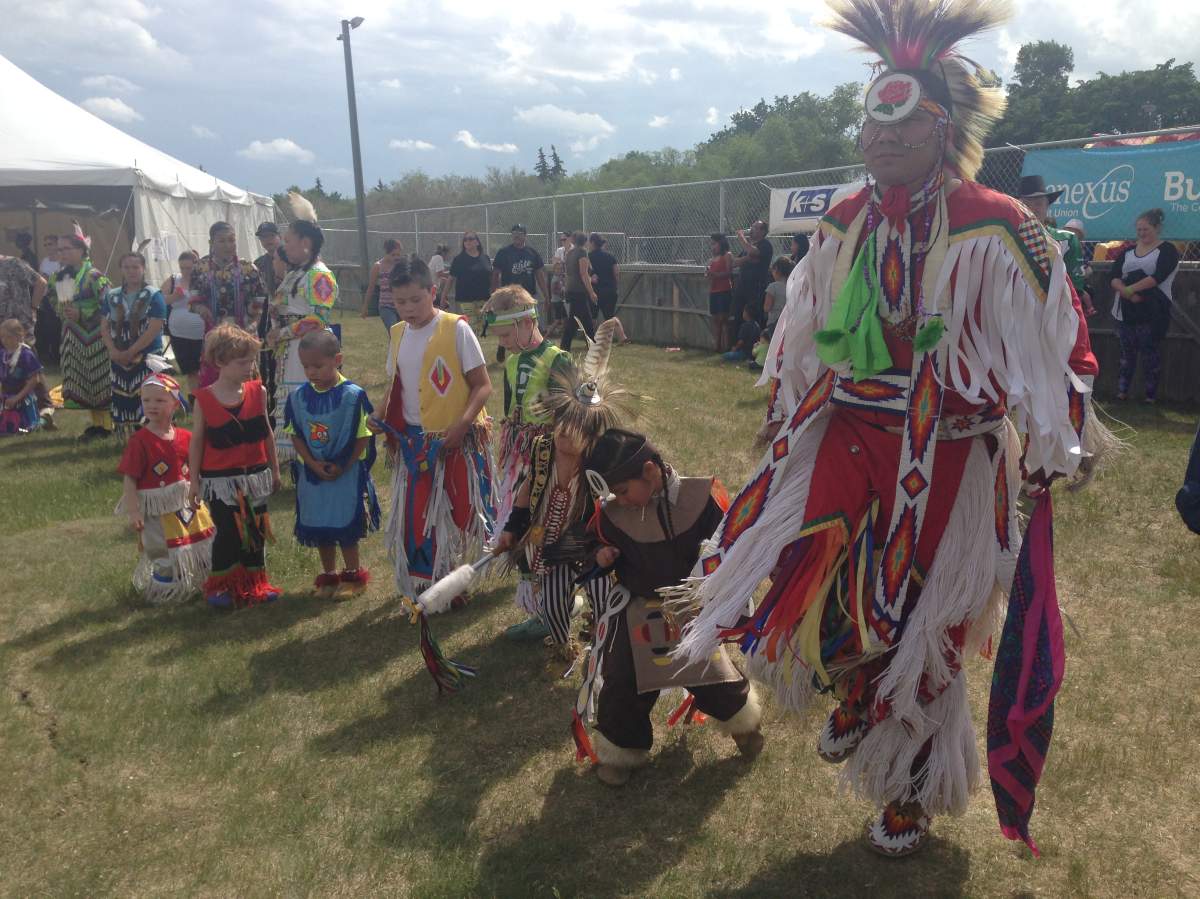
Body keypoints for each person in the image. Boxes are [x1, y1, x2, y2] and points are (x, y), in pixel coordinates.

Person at [671, 0, 1109, 857]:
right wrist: (783, 405)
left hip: (950, 454)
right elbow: (802, 330)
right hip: (851, 437)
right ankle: (854, 687)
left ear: (940, 131)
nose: (878, 139)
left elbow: (1064, 342)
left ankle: (913, 784)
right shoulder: (846, 218)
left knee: (929, 620)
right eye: (872, 121)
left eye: (900, 122)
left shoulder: (1000, 224)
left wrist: (1060, 432)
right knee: (818, 574)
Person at [571, 428, 763, 787]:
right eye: (614, 495)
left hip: (689, 613)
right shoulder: (613, 514)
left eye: (624, 491)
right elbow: (590, 542)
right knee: (623, 681)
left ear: (649, 471)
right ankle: (620, 751)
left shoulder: (701, 499)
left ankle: (744, 727)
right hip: (636, 614)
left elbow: (731, 545)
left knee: (710, 676)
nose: (621, 501)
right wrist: (600, 554)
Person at [495, 318, 630, 653]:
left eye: (577, 427)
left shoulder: (598, 468)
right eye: (562, 424)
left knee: (602, 597)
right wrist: (514, 526)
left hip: (590, 547)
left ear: (595, 435)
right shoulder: (543, 451)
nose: (566, 432)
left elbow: (616, 507)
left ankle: (602, 644)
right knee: (552, 601)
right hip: (551, 547)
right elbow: (525, 492)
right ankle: (559, 642)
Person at [376, 257, 495, 602]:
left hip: (455, 437)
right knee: (422, 515)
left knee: (461, 512)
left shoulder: (455, 328)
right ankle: (434, 580)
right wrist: (380, 412)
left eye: (416, 299)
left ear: (433, 292)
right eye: (400, 302)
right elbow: (396, 382)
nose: (408, 309)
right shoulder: (397, 333)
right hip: (414, 442)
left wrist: (461, 425)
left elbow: (482, 385)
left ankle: (459, 575)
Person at [481, 284, 574, 635]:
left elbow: (572, 416)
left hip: (549, 459)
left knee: (544, 529)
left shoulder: (557, 360)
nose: (502, 341)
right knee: (517, 527)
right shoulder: (513, 359)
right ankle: (541, 607)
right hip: (519, 458)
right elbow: (510, 410)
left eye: (506, 333)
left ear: (526, 321)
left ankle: (553, 605)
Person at [188, 324, 282, 610]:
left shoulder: (259, 392)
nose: (249, 367)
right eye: (242, 362)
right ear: (219, 362)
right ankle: (221, 586)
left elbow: (267, 431)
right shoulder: (204, 399)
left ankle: (255, 583)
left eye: (251, 360)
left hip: (254, 476)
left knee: (255, 531)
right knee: (228, 532)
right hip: (220, 481)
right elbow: (198, 441)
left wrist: (275, 470)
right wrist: (194, 481)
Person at [284, 329, 380, 599]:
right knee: (320, 526)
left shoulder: (352, 396)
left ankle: (353, 576)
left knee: (344, 526)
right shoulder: (298, 398)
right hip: (313, 474)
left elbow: (363, 435)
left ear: (337, 359)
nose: (311, 372)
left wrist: (344, 464)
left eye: (318, 365)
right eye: (306, 367)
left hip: (345, 473)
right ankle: (329, 576)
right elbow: (295, 433)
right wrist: (313, 464)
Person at [116, 374, 215, 604]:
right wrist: (133, 511)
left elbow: (197, 467)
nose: (152, 405)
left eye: (160, 401)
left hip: (188, 505)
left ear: (175, 404)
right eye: (146, 400)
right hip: (157, 511)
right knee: (162, 550)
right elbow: (130, 479)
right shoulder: (139, 441)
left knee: (199, 544)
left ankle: (199, 582)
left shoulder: (186, 437)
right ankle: (168, 593)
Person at [267, 202, 338, 463]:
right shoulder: (297, 273)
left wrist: (283, 331)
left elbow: (319, 317)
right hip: (294, 349)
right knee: (295, 399)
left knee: (309, 400)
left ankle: (314, 453)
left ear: (305, 242)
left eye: (288, 240)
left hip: (310, 348)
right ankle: (298, 456)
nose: (284, 246)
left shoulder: (319, 275)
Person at [1110, 208, 1179, 404]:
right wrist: (1124, 292)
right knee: (1126, 355)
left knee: (1150, 354)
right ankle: (1121, 392)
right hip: (1126, 311)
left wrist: (1131, 289)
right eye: (1139, 230)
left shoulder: (1167, 250)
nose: (1141, 233)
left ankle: (1150, 396)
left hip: (1152, 312)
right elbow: (1114, 276)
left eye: (1146, 229)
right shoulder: (1127, 252)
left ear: (1157, 228)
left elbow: (1158, 276)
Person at [189, 221, 267, 387]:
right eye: (222, 241)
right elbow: (194, 299)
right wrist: (201, 308)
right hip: (214, 333)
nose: (228, 245)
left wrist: (252, 317)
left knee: (246, 378)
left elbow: (260, 299)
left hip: (245, 331)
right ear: (211, 243)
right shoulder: (200, 268)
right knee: (214, 375)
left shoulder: (248, 268)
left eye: (231, 240)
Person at [53, 223, 113, 439]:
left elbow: (110, 308)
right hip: (74, 338)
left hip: (97, 337)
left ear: (81, 250)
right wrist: (65, 312)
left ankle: (107, 426)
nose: (62, 253)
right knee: (84, 380)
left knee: (100, 379)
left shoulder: (95, 276)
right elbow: (60, 304)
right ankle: (96, 424)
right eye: (59, 250)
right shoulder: (62, 277)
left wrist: (84, 315)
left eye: (66, 249)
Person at [101, 251, 168, 440]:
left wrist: (132, 351)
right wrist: (113, 350)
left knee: (148, 394)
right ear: (121, 270)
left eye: (135, 267)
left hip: (147, 356)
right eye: (127, 267)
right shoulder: (112, 296)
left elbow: (154, 328)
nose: (131, 271)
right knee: (122, 393)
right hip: (119, 356)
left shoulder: (153, 295)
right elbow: (104, 327)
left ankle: (152, 435)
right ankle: (127, 437)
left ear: (143, 269)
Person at [1018, 176, 1094, 316]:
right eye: (1027, 204)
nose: (1033, 208)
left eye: (1039, 203)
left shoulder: (1067, 239)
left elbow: (1076, 279)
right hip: (1020, 309)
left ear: (1047, 206)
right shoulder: (1011, 238)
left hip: (1058, 310)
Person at [491, 225, 550, 358]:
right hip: (510, 296)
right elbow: (495, 274)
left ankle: (532, 350)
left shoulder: (532, 253)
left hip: (528, 296)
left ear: (525, 235)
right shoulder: (504, 252)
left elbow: (540, 275)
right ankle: (502, 346)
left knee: (531, 323)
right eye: (514, 233)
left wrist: (546, 296)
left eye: (519, 233)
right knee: (508, 323)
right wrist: (495, 294)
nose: (516, 236)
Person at [162, 250, 204, 400]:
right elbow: (160, 300)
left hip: (202, 333)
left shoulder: (204, 279)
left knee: (205, 367)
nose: (186, 271)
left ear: (197, 265)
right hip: (179, 333)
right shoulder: (174, 280)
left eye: (189, 268)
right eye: (182, 268)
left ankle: (210, 397)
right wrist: (173, 297)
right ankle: (195, 398)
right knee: (190, 369)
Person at [253, 222, 285, 411]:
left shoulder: (291, 258)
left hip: (288, 313)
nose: (267, 241)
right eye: (263, 237)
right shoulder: (259, 263)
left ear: (278, 236)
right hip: (267, 315)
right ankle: (270, 406)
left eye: (270, 236)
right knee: (268, 361)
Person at [0, 318, 45, 435]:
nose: (4, 340)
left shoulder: (26, 355)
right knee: (5, 428)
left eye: (8, 337)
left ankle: (43, 421)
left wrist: (17, 398)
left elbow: (35, 379)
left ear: (19, 336)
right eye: (2, 337)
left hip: (23, 399)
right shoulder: (2, 354)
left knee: (22, 429)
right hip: (7, 399)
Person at [731, 220, 773, 332]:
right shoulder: (749, 247)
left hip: (756, 287)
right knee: (738, 315)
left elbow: (754, 252)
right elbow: (734, 262)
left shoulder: (765, 245)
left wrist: (741, 238)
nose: (752, 229)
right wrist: (747, 258)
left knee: (754, 316)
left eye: (755, 227)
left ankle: (754, 344)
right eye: (752, 226)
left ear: (763, 231)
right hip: (742, 286)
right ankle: (738, 344)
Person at [561, 231, 598, 352]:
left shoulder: (569, 253)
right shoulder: (582, 253)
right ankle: (592, 345)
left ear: (574, 241)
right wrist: (591, 292)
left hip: (571, 288)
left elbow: (568, 273)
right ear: (585, 241)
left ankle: (565, 345)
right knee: (586, 318)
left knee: (574, 319)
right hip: (579, 289)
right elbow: (583, 273)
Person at [446, 230, 492, 323]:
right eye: (465, 240)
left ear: (477, 242)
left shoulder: (485, 258)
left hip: (484, 301)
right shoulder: (459, 259)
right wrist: (443, 297)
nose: (467, 242)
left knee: (484, 330)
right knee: (467, 328)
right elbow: (450, 279)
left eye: (470, 239)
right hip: (465, 302)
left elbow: (491, 278)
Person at [363, 239, 407, 333]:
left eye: (398, 255)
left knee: (404, 334)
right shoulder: (378, 266)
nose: (396, 257)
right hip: (386, 307)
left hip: (400, 305)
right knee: (394, 332)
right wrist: (365, 307)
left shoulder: (401, 266)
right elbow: (371, 288)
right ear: (386, 253)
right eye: (393, 255)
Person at [35, 235, 62, 367]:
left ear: (57, 245)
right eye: (45, 244)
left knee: (58, 327)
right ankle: (50, 355)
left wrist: (50, 278)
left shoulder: (62, 261)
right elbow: (40, 279)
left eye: (50, 244)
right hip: (46, 298)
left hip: (59, 298)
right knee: (47, 328)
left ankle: (58, 356)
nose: (47, 247)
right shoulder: (45, 261)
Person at [705, 234, 735, 352]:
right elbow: (710, 276)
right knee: (716, 320)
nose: (712, 246)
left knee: (724, 320)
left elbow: (728, 272)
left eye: (714, 243)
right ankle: (717, 346)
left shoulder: (727, 255)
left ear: (721, 243)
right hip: (714, 291)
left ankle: (726, 346)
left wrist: (715, 275)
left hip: (724, 290)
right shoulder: (712, 259)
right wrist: (708, 275)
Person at [587, 233, 620, 322]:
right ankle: (613, 335)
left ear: (593, 243)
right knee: (609, 317)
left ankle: (591, 335)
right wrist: (615, 287)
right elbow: (616, 273)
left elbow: (585, 274)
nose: (588, 244)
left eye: (589, 242)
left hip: (595, 291)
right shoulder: (610, 256)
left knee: (592, 316)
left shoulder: (588, 257)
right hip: (609, 290)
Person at [762, 256, 794, 338]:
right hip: (788, 321)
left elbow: (767, 307)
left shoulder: (772, 287)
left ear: (776, 270)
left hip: (774, 322)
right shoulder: (791, 286)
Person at [429, 243, 450, 307]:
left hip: (431, 288)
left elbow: (436, 274)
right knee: (446, 305)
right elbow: (439, 274)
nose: (447, 256)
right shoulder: (439, 258)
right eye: (447, 254)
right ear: (444, 253)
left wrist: (444, 279)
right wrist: (451, 273)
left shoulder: (434, 257)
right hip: (433, 290)